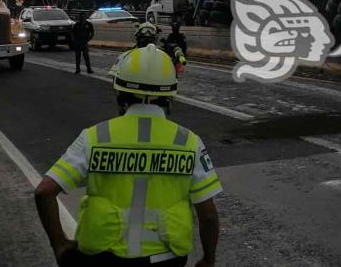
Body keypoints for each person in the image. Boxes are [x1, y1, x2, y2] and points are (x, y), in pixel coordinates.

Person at [34, 44, 221, 266]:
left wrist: (60, 245)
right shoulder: (188, 141)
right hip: (166, 260)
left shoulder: (96, 136)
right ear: (170, 95)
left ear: (120, 92)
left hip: (103, 259)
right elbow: (208, 216)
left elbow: (44, 192)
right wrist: (208, 259)